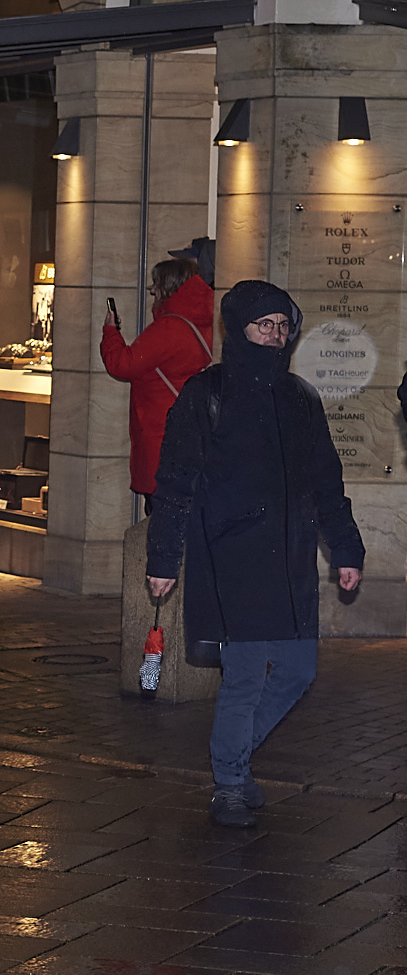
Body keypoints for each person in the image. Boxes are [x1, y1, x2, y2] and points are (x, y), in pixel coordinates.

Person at [147, 280, 363, 829]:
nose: (274, 335)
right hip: (232, 558)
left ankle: (234, 762)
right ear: (238, 328)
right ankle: (229, 782)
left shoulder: (301, 399)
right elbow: (175, 480)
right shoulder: (206, 394)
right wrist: (163, 559)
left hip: (290, 561)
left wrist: (345, 548)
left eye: (283, 326)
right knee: (244, 678)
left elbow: (326, 482)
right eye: (263, 324)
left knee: (297, 671)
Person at [101, 257, 214, 514]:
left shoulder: (170, 328)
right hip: (191, 436)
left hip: (161, 437)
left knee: (161, 520)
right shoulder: (204, 323)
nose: (152, 290)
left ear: (169, 286)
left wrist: (110, 332)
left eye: (156, 283)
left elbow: (121, 364)